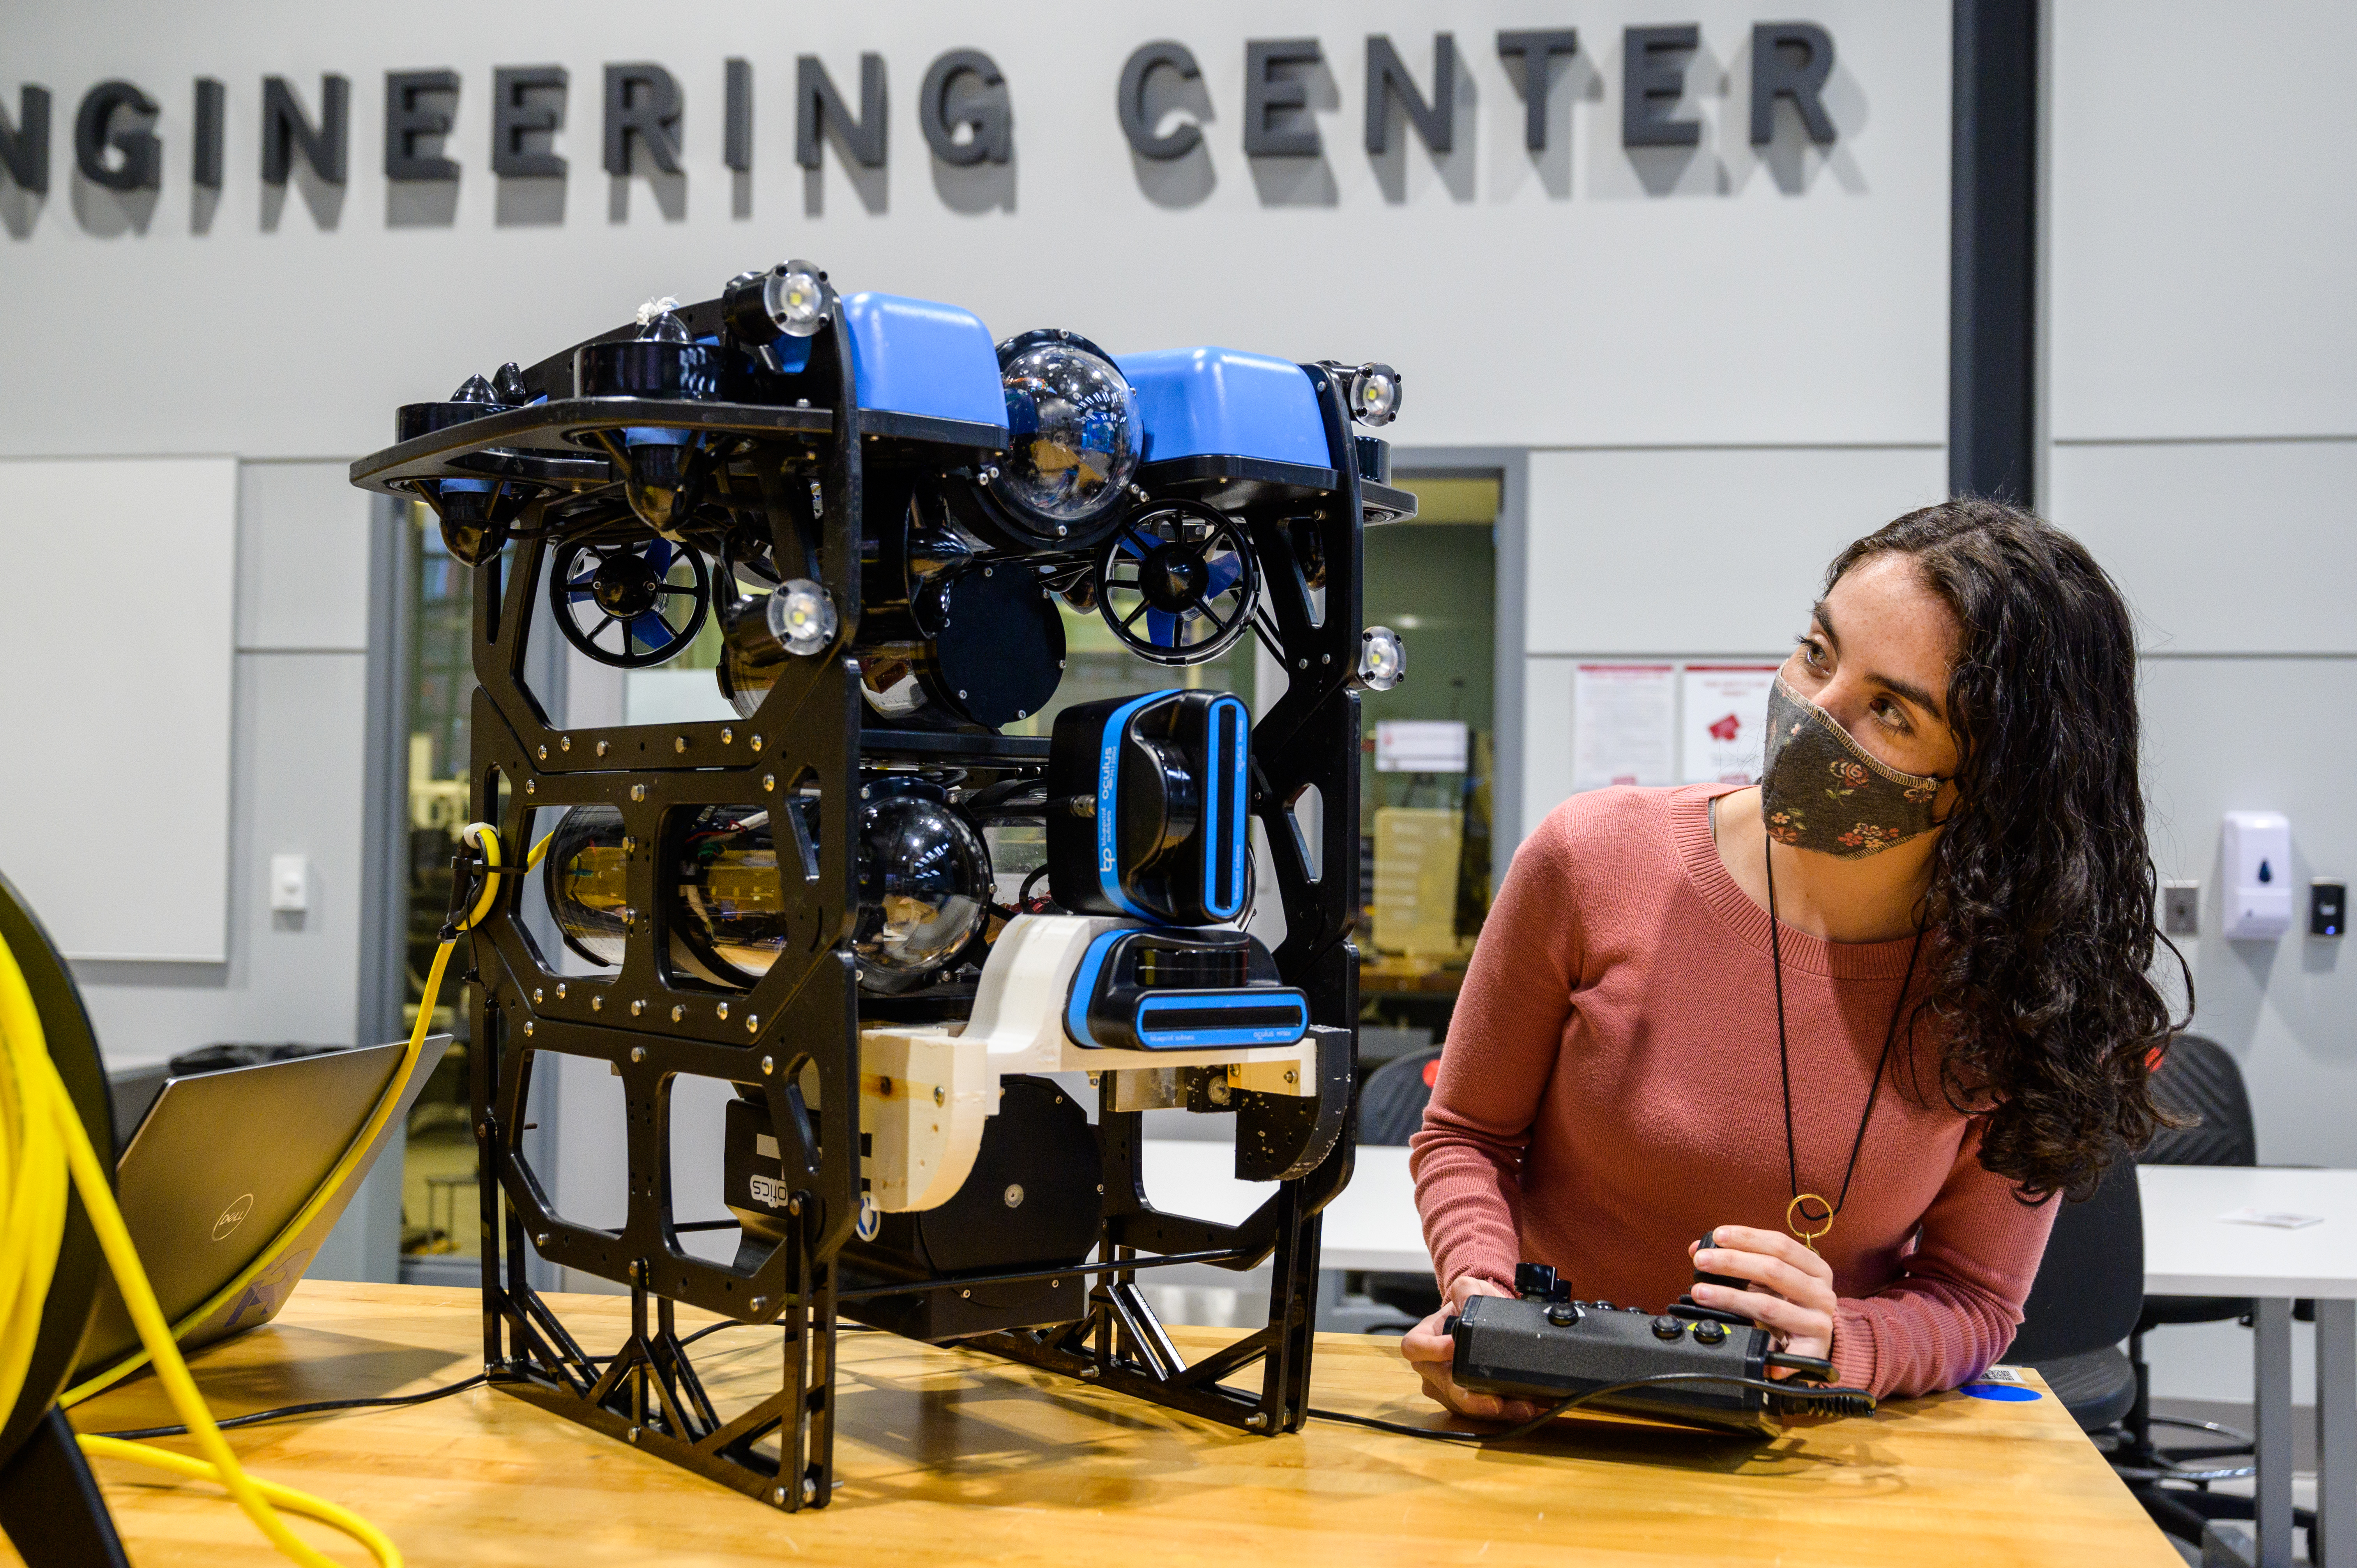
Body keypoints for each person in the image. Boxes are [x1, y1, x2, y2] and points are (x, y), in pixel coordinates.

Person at [1402, 498, 2187, 1417]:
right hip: (1548, 1412)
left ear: (1997, 781)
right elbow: (1466, 1135)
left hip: (1801, 1453)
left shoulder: (2020, 985)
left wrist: (1843, 1343)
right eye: (1819, 652)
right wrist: (1483, 1304)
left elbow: (1975, 1297)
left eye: (1890, 710)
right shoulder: (1592, 858)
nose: (1815, 712)